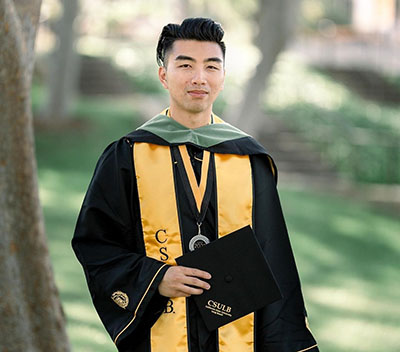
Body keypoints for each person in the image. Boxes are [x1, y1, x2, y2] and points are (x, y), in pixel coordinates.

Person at [72, 17, 319, 352]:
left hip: (237, 339)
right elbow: (95, 245)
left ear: (223, 76)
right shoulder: (127, 156)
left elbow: (274, 262)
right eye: (185, 65)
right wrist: (155, 279)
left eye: (211, 66)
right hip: (161, 335)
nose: (199, 78)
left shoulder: (250, 160)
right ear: (164, 75)